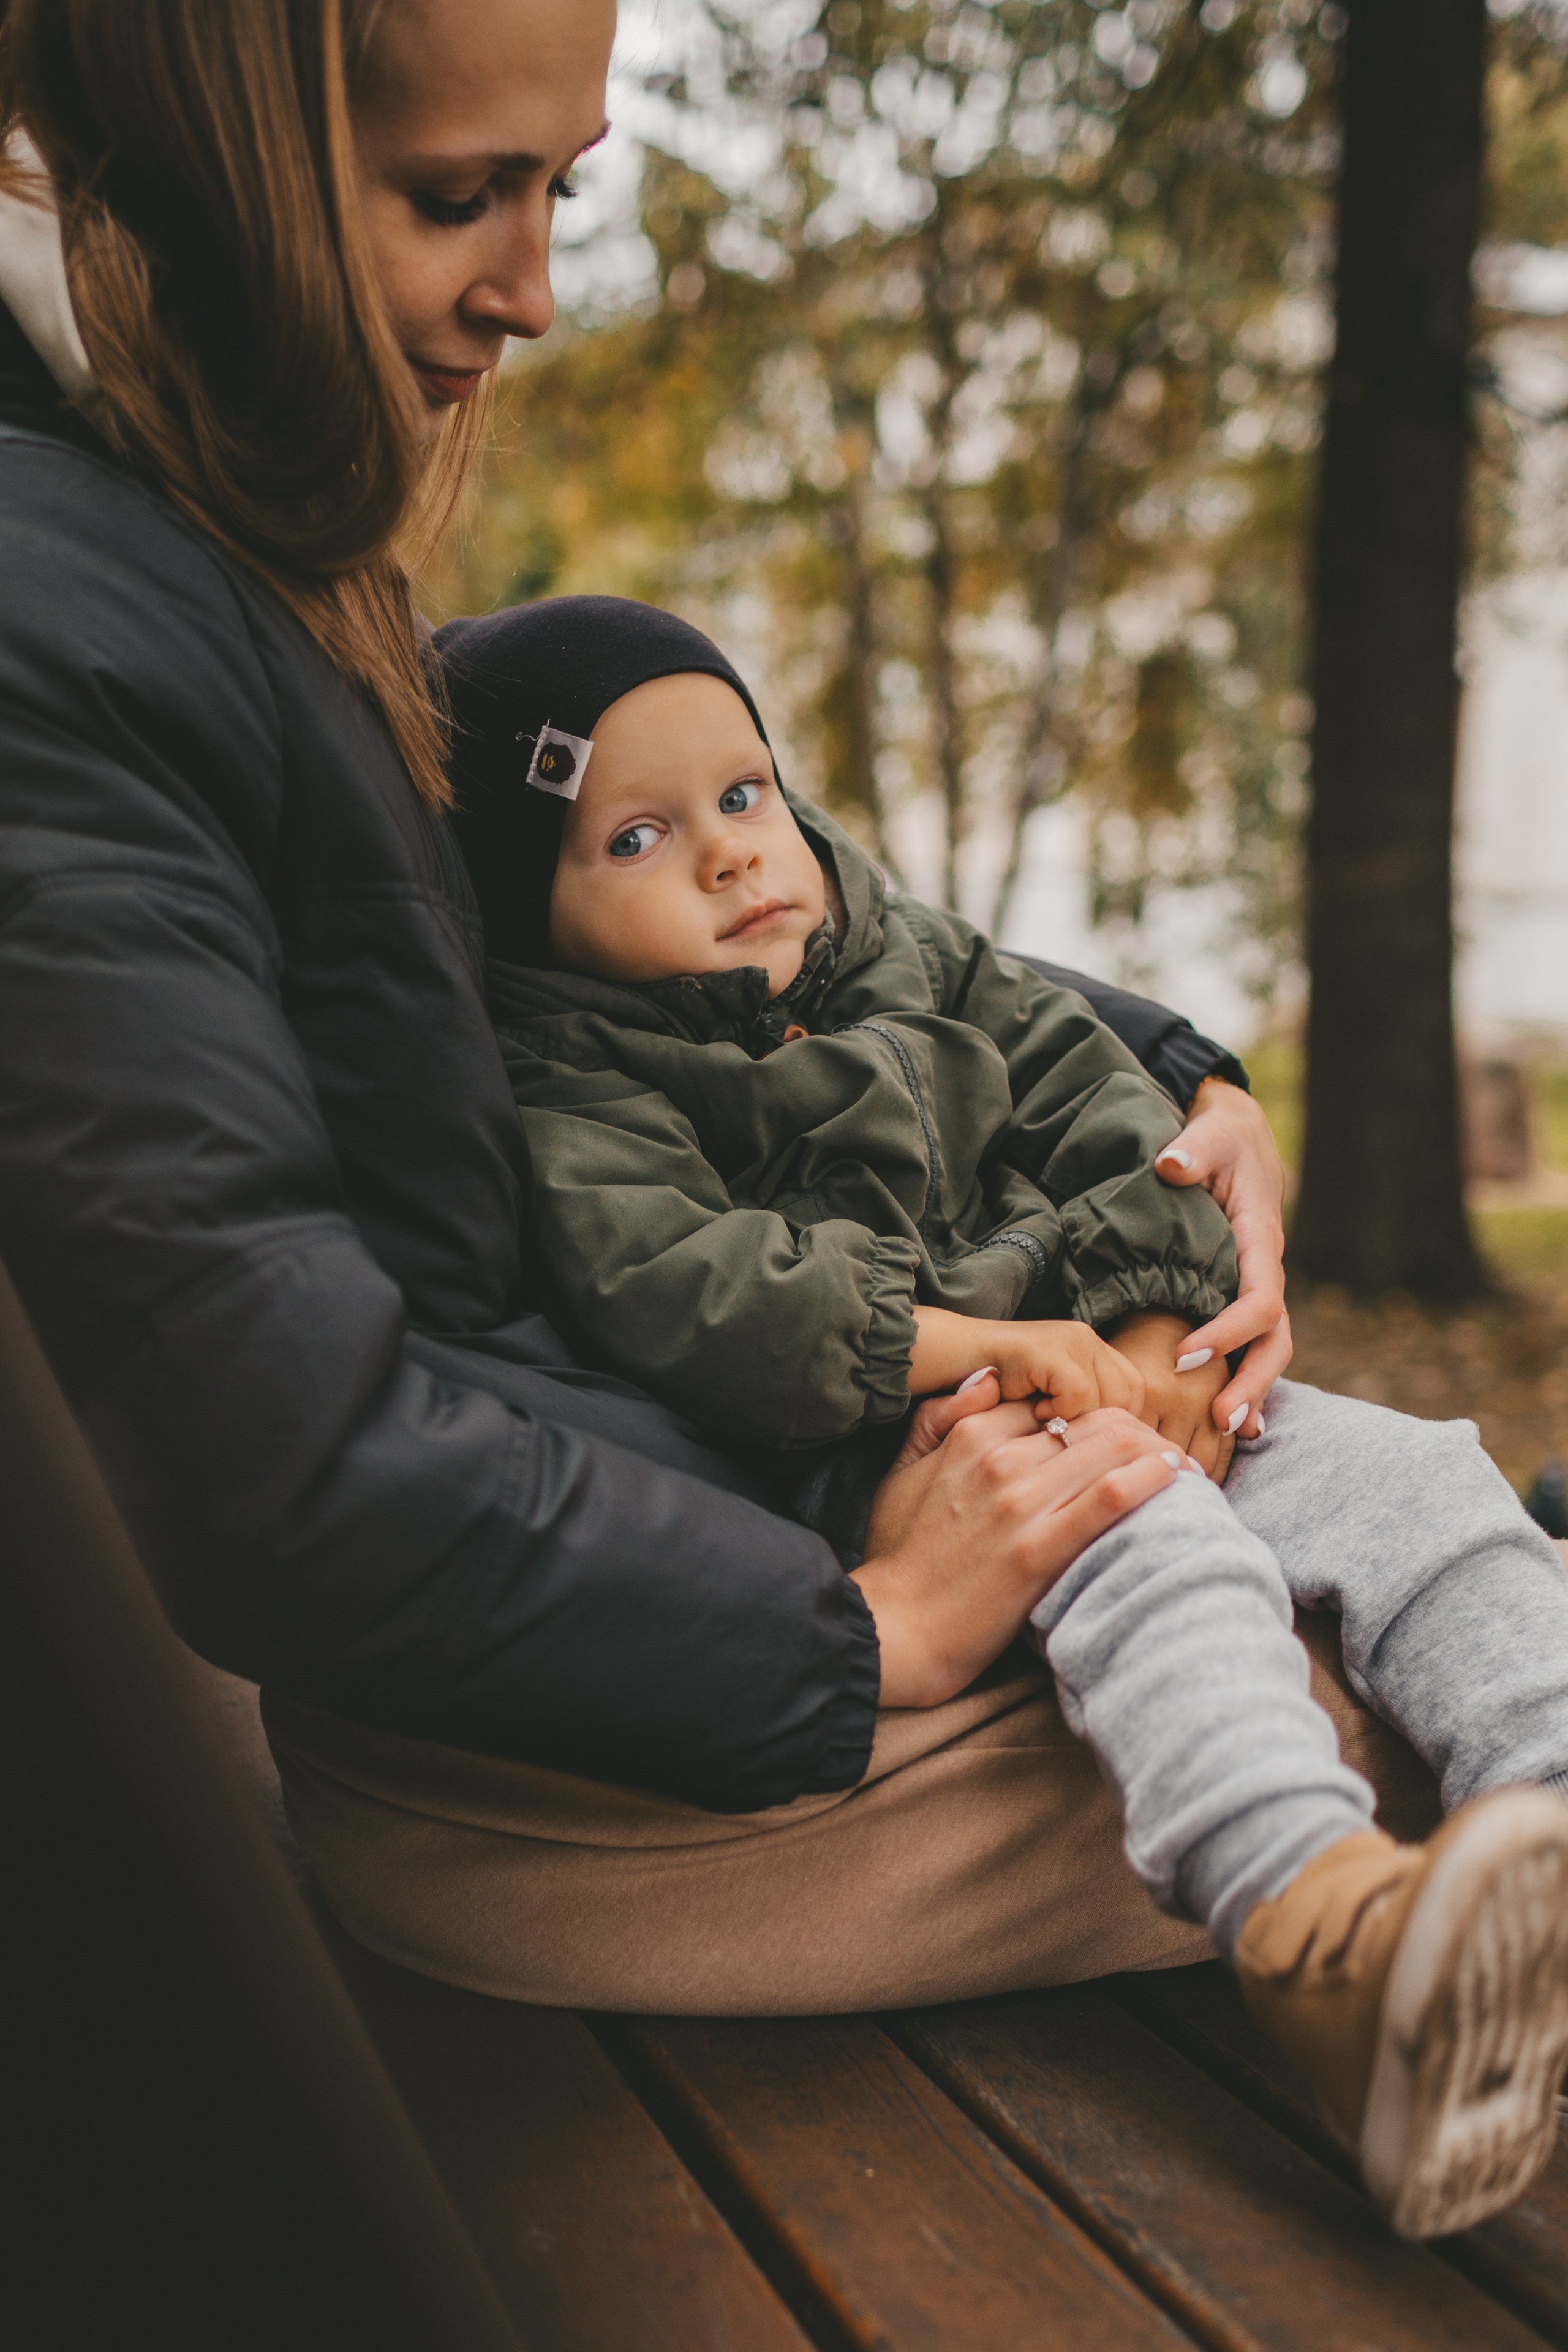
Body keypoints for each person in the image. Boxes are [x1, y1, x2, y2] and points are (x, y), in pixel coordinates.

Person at [0, 0, 1497, 2245]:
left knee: (1408, 1525)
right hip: (579, 1702)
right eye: (453, 196)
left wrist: (1187, 1073)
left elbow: (739, 890)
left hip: (639, 1538)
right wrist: (865, 1636)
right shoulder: (75, 601)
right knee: (1272, 1636)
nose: (530, 285)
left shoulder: (207, 515)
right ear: (229, 136)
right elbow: (280, 1447)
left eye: (561, 189)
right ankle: (1350, 1954)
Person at [429, 592, 1568, 2239]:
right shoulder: (576, 1083)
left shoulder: (907, 952)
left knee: (1418, 1482)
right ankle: (1325, 1937)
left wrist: (1168, 1323)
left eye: (746, 796)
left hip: (1122, 1358)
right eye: (641, 834)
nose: (737, 858)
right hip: (924, 1443)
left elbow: (1100, 1096)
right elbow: (692, 1285)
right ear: (529, 905)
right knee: (1154, 1546)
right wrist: (995, 1350)